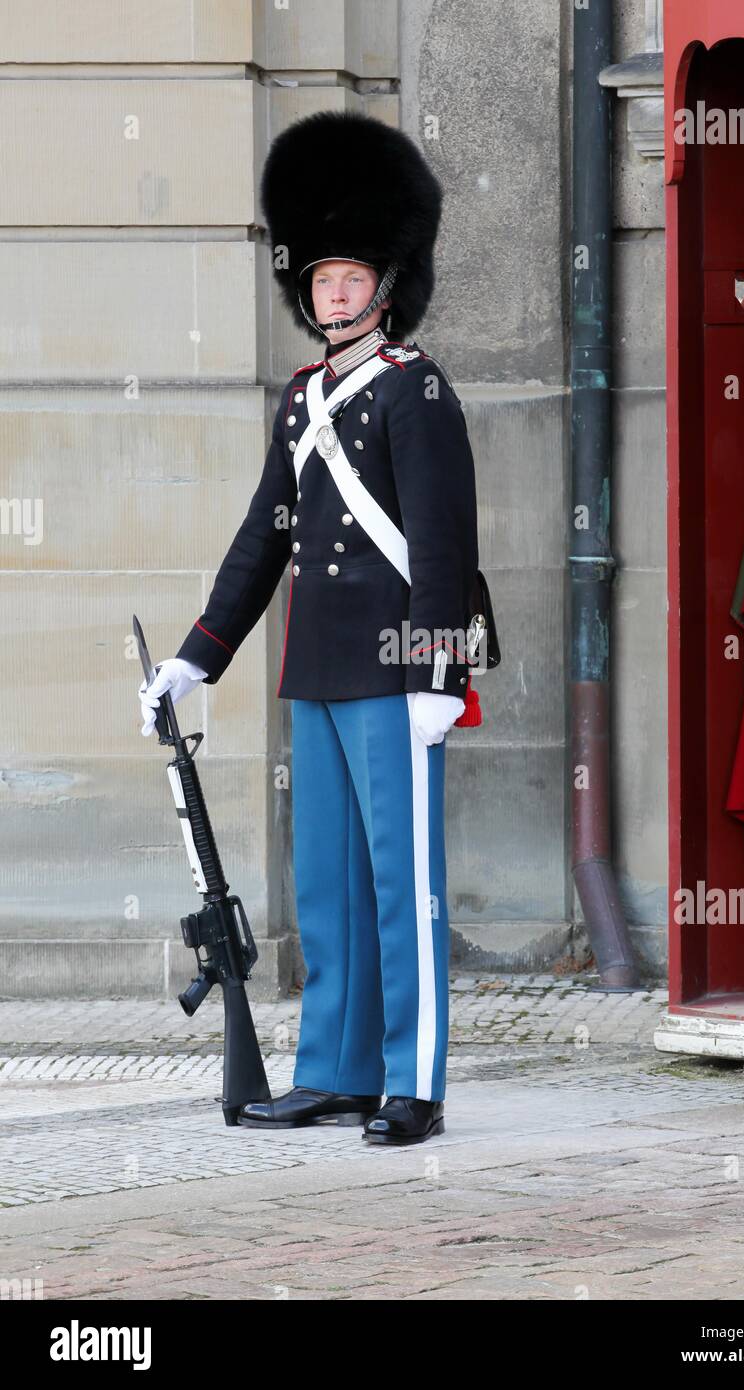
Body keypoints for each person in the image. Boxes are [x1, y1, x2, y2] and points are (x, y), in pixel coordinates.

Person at [138, 110, 481, 1146]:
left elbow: (442, 539)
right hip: (318, 671)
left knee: (399, 885)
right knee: (327, 888)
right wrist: (197, 658)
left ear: (387, 282)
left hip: (392, 674)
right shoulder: (300, 400)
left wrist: (438, 670)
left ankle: (411, 1078)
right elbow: (262, 539)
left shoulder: (414, 389)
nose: (335, 293)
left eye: (352, 276)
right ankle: (334, 1067)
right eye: (321, 277)